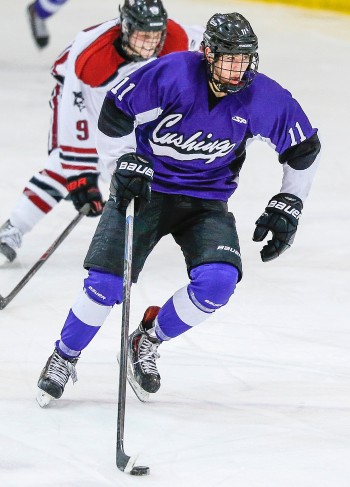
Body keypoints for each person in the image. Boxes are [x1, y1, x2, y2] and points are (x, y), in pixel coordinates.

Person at [36, 12, 321, 406]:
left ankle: (147, 339)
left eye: (244, 59)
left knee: (219, 282)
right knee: (105, 284)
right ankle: (64, 356)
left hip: (206, 202)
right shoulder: (171, 73)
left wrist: (291, 200)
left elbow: (304, 148)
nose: (237, 70)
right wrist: (124, 160)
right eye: (228, 58)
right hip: (147, 189)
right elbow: (114, 114)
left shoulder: (264, 97)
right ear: (207, 53)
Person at [0, 0, 204, 264]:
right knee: (65, 168)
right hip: (81, 95)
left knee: (149, 162)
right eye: (143, 36)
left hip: (131, 91)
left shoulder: (175, 36)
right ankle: (14, 227)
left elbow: (205, 46)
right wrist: (82, 176)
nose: (150, 44)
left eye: (155, 36)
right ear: (126, 29)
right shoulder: (93, 59)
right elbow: (77, 119)